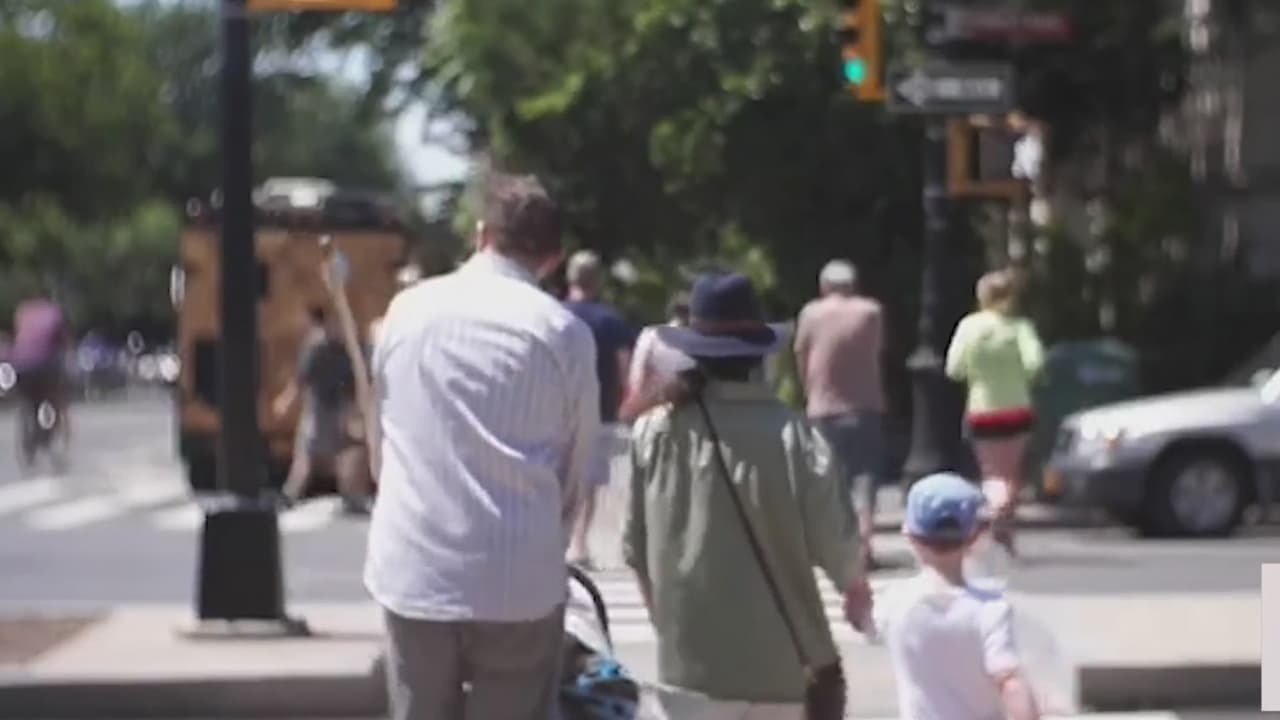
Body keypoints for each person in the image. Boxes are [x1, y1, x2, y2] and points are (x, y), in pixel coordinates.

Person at [364, 172, 600, 720]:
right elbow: (575, 464)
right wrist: (551, 532)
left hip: (415, 563)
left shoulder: (407, 311)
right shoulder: (562, 333)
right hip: (519, 573)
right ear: (554, 257)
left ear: (480, 235)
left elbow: (384, 435)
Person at [625, 272, 872, 720]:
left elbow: (638, 552)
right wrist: (855, 590)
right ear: (760, 354)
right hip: (780, 665)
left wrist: (670, 628)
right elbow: (836, 542)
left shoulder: (654, 434)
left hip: (688, 665)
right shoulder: (795, 436)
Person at [870, 472, 1041, 720]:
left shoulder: (894, 602)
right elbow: (1010, 682)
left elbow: (863, 621)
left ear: (908, 534)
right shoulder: (990, 609)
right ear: (974, 537)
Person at [945, 269, 1044, 556]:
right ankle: (1003, 526)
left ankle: (996, 515)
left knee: (991, 472)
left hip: (982, 408)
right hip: (1017, 408)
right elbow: (1035, 363)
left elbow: (954, 369)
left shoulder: (969, 326)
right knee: (1011, 474)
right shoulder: (1019, 327)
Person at [794, 259, 886, 569]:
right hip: (865, 403)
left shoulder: (811, 313)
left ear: (824, 286)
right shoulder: (871, 312)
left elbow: (801, 355)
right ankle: (864, 544)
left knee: (826, 479)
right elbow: (877, 350)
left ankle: (830, 546)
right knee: (864, 477)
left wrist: (807, 389)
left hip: (823, 406)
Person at [562, 249, 636, 568]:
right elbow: (624, 366)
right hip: (599, 409)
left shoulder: (555, 314)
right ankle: (578, 545)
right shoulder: (610, 320)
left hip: (556, 407)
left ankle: (556, 541)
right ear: (598, 280)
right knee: (588, 479)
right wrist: (627, 403)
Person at [272, 307, 369, 512]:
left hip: (342, 407)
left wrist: (357, 410)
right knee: (307, 454)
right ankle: (290, 495)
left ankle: (352, 497)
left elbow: (359, 382)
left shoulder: (352, 350)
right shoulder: (316, 349)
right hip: (318, 407)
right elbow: (301, 381)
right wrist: (286, 401)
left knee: (347, 454)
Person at [619, 293, 694, 422]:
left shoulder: (651, 335)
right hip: (688, 413)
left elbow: (636, 378)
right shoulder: (701, 341)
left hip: (650, 412)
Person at [10, 295, 72, 449]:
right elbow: (65, 342)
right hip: (45, 367)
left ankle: (29, 435)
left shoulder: (23, 311)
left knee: (30, 401)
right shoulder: (55, 312)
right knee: (55, 399)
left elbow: (19, 338)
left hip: (21, 366)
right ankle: (50, 435)